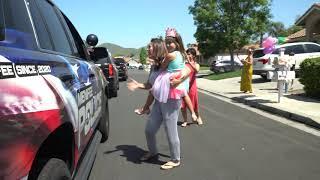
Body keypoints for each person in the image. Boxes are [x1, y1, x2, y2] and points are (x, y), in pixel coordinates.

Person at [127, 38, 182, 170]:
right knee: (149, 130)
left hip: (171, 101)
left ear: (157, 48)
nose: (147, 49)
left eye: (149, 47)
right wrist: (138, 85)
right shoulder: (154, 66)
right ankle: (153, 152)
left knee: (170, 131)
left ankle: (175, 159)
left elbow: (185, 70)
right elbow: (150, 85)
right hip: (159, 101)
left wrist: (182, 79)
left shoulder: (169, 62)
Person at [135, 28, 198, 122]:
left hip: (170, 77)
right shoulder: (181, 53)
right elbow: (187, 68)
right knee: (185, 95)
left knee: (153, 90)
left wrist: (159, 63)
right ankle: (192, 113)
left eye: (170, 43)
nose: (168, 45)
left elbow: (163, 67)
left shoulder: (170, 55)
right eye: (166, 43)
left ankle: (146, 108)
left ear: (176, 43)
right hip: (179, 77)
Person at [171, 48, 203, 127]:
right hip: (184, 86)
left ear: (193, 55)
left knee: (194, 104)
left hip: (192, 87)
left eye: (189, 54)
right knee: (182, 106)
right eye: (187, 54)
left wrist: (190, 62)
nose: (187, 55)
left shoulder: (196, 64)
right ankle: (185, 120)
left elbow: (197, 70)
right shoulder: (184, 65)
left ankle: (198, 117)